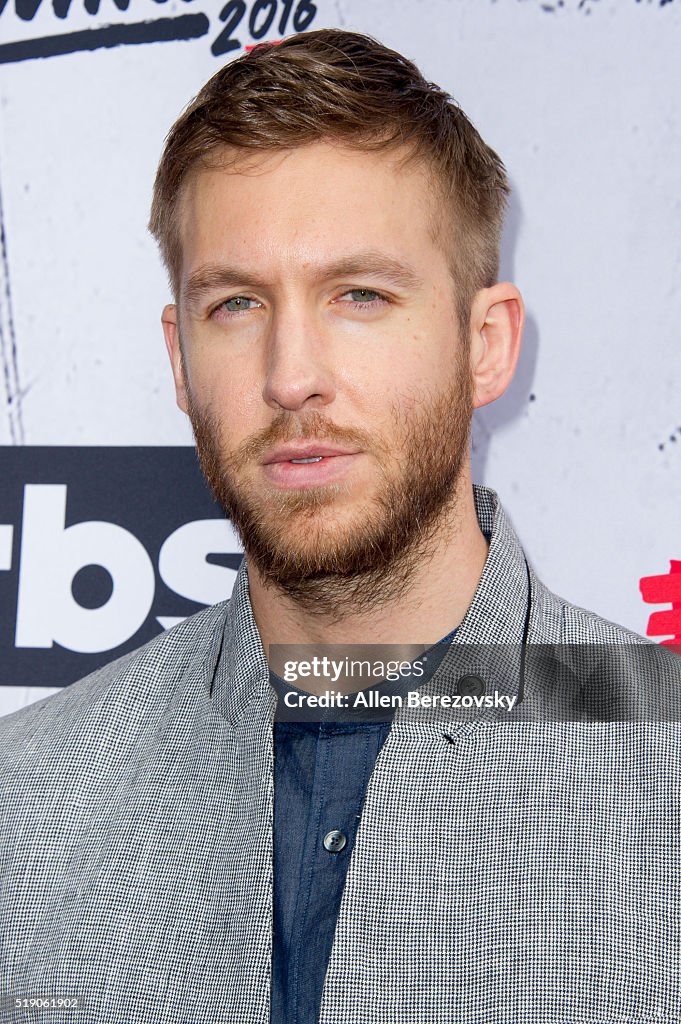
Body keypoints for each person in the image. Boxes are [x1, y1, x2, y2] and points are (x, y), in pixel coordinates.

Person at [1, 28, 679, 1024]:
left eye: (359, 294)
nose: (290, 375)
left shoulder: (663, 762)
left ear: (485, 344)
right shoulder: (24, 802)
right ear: (181, 360)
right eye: (235, 304)